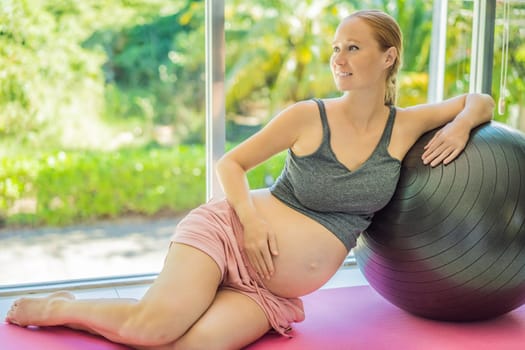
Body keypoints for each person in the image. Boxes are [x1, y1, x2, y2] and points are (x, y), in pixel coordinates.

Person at [5, 9, 494, 350]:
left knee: (191, 345)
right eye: (335, 48)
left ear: (388, 57)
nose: (338, 58)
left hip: (269, 291)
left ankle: (156, 308)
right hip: (231, 234)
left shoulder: (404, 125)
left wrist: (459, 124)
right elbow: (230, 164)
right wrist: (253, 225)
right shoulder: (309, 116)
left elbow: (480, 99)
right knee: (152, 330)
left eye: (353, 47)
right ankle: (59, 308)